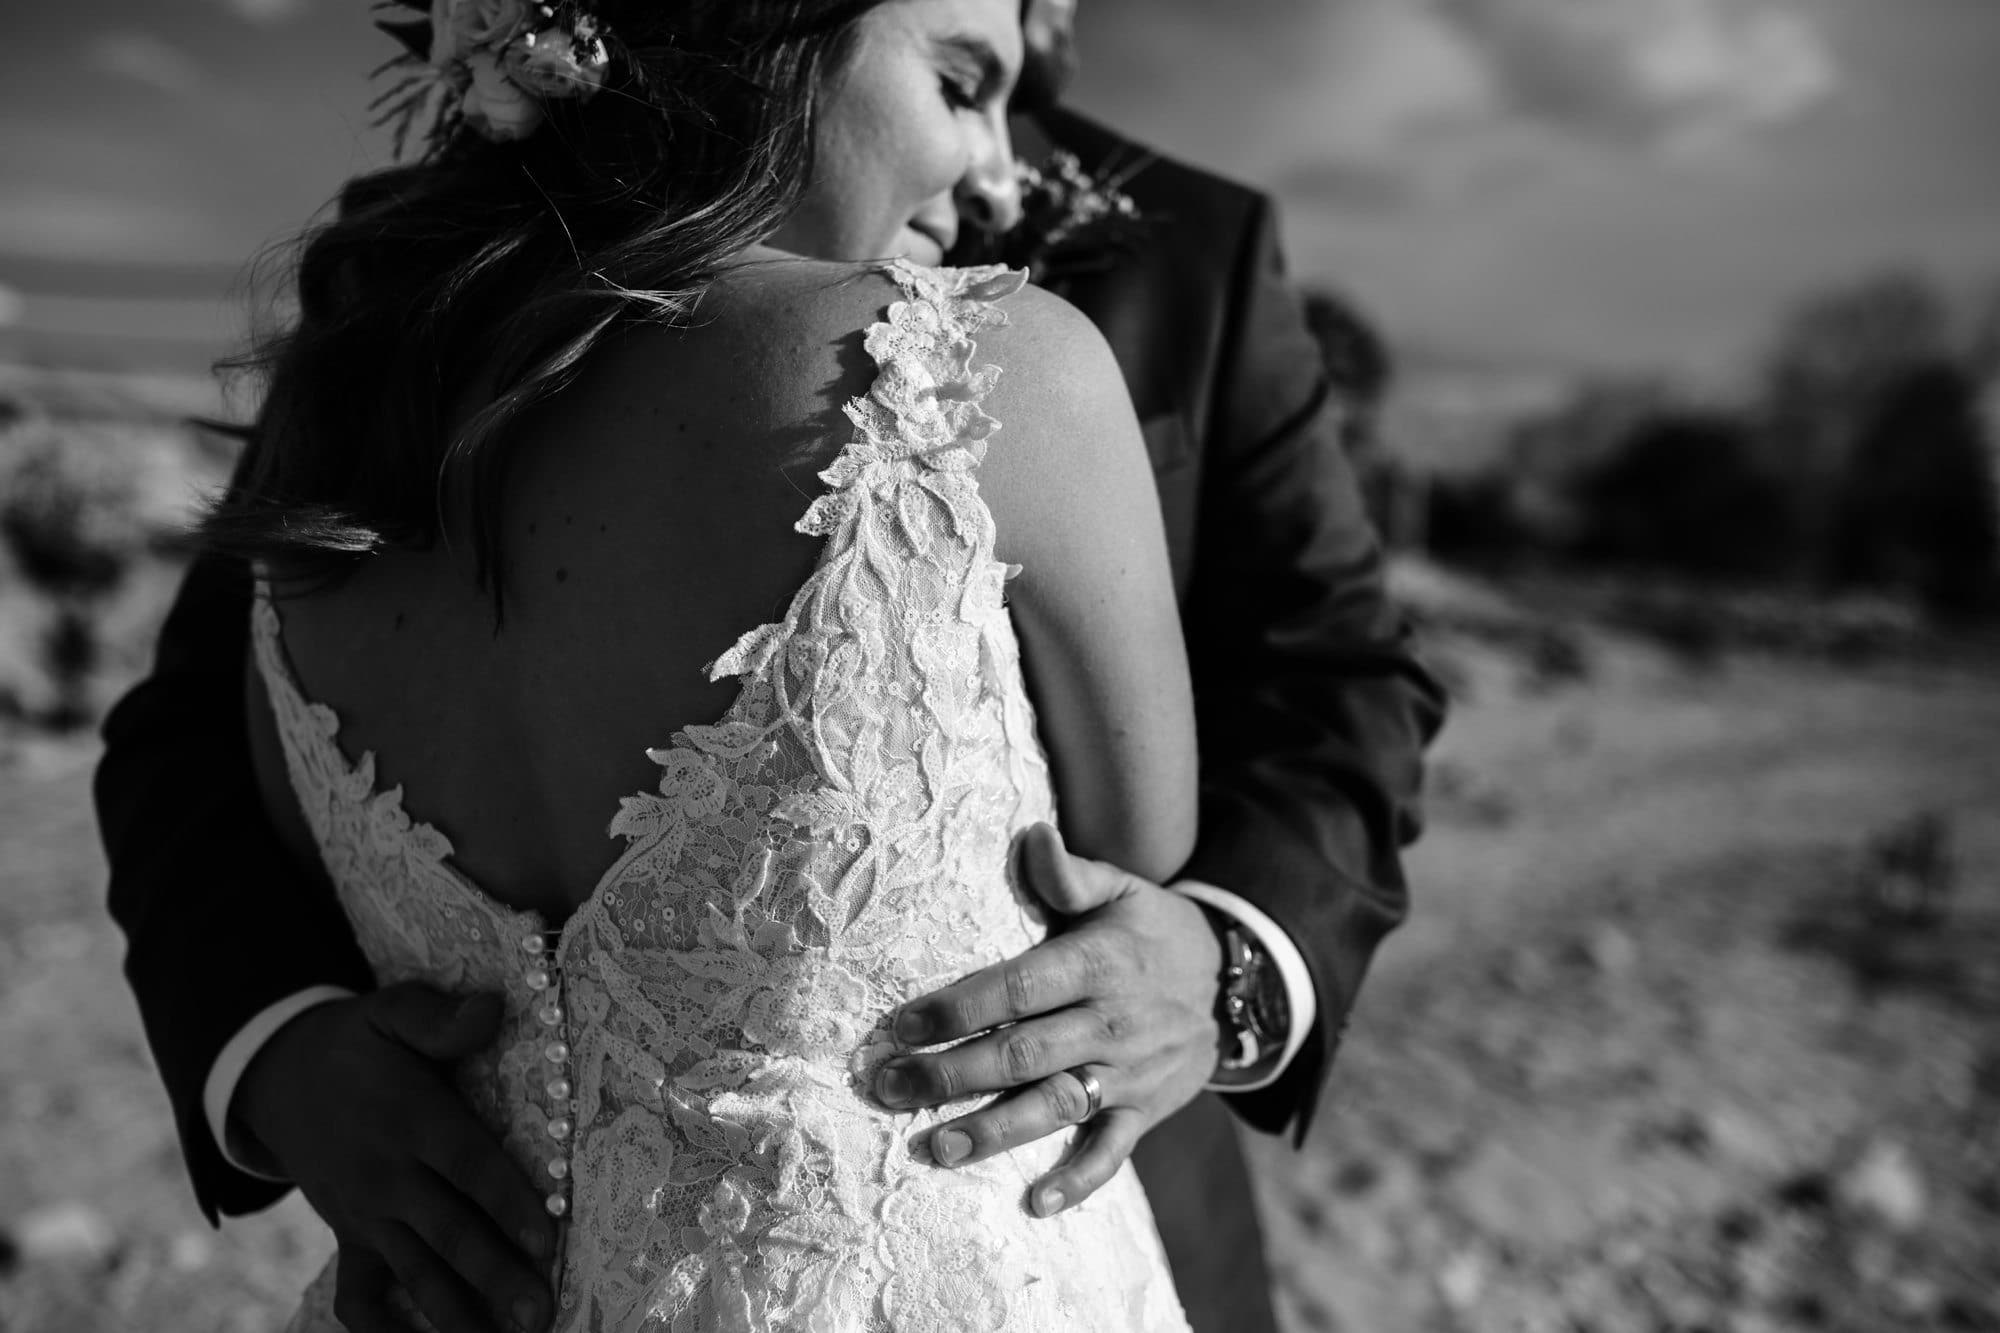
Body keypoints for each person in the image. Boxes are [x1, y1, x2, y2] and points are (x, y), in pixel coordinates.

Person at [97, 2, 1447, 1332]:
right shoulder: (388, 305)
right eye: (960, 77)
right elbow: (197, 716)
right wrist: (271, 1051)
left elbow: (1340, 671)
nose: (984, 182)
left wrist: (1219, 963)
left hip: (1050, 1187)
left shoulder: (1192, 249)